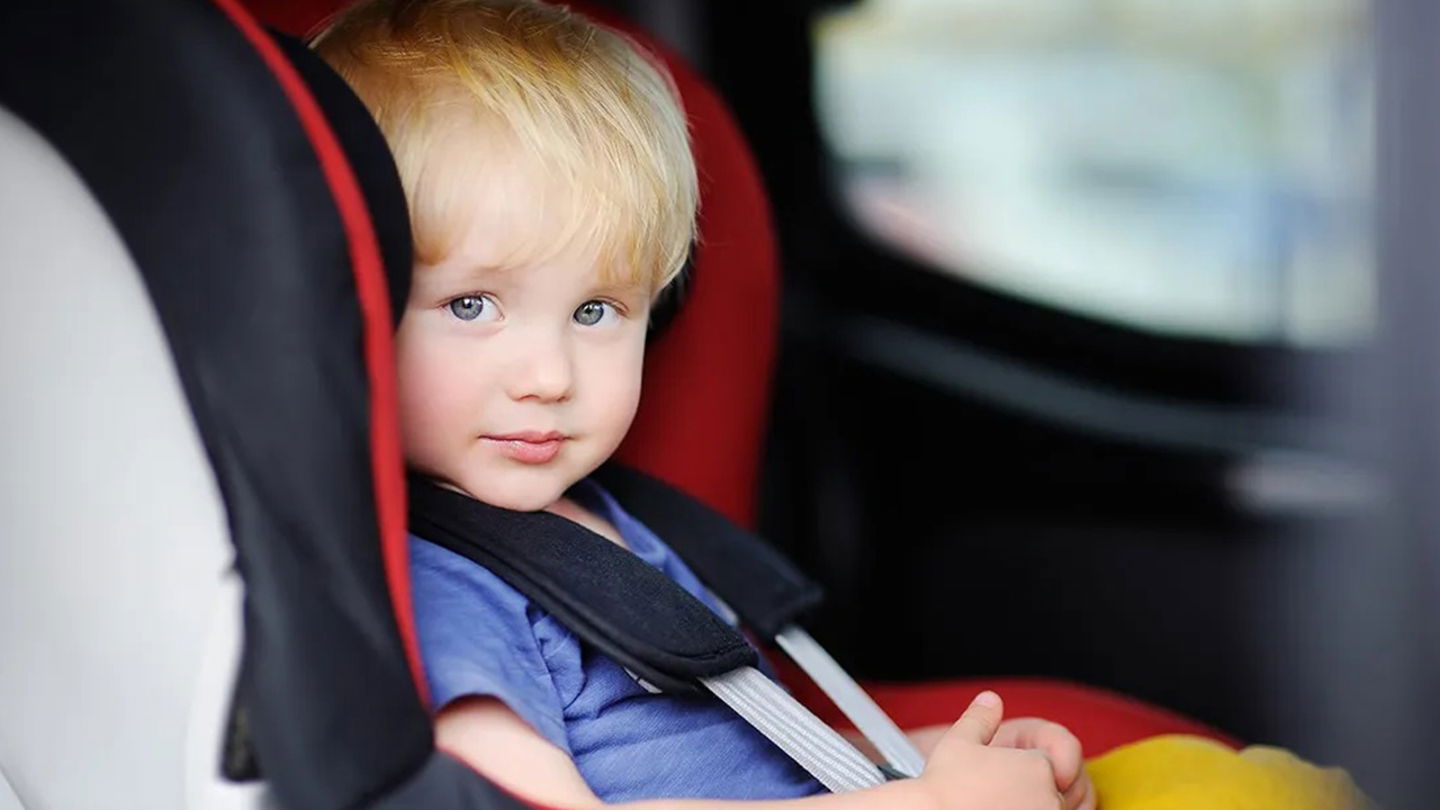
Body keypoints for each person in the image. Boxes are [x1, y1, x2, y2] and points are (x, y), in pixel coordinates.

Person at [312, 2, 1364, 808]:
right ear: (350, 303)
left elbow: (728, 757)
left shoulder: (598, 519)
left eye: (596, 310)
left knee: (1224, 780)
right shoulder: (443, 585)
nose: (548, 372)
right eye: (473, 304)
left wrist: (920, 772)